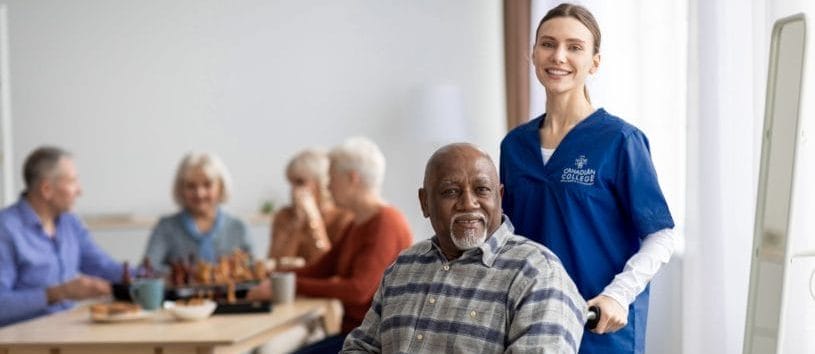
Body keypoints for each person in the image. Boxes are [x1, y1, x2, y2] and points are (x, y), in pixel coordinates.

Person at [499, 3, 675, 353]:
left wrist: (617, 295)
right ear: (532, 54)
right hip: (532, 324)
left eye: (574, 47)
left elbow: (660, 235)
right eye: (548, 44)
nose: (558, 56)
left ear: (595, 62)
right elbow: (508, 236)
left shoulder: (620, 140)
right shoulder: (514, 145)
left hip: (598, 326)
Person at [342, 143, 586, 353]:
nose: (469, 203)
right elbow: (361, 348)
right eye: (450, 192)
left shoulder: (538, 272)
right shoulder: (403, 267)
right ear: (425, 202)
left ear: (499, 197)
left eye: (482, 190)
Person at [248, 137, 412, 353]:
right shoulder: (357, 223)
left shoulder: (386, 223)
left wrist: (293, 285)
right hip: (354, 333)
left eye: (331, 178)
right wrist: (272, 276)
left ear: (352, 178)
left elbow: (358, 290)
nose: (327, 186)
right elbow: (322, 269)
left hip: (372, 340)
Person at [0, 146, 126, 326]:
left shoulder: (70, 223)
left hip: (66, 333)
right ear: (46, 189)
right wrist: (59, 293)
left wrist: (157, 277)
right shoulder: (6, 229)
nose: (80, 191)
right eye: (73, 181)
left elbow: (104, 267)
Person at [143, 152, 252, 273]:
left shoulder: (239, 228)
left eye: (207, 185)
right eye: (191, 186)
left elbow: (253, 272)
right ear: (181, 189)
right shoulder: (165, 227)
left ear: (221, 186)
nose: (199, 193)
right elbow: (147, 269)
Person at [267, 148, 353, 268]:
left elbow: (329, 267)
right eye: (291, 183)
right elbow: (274, 264)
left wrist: (313, 219)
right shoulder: (284, 215)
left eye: (300, 182)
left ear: (321, 182)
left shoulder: (344, 217)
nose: (293, 190)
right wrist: (297, 224)